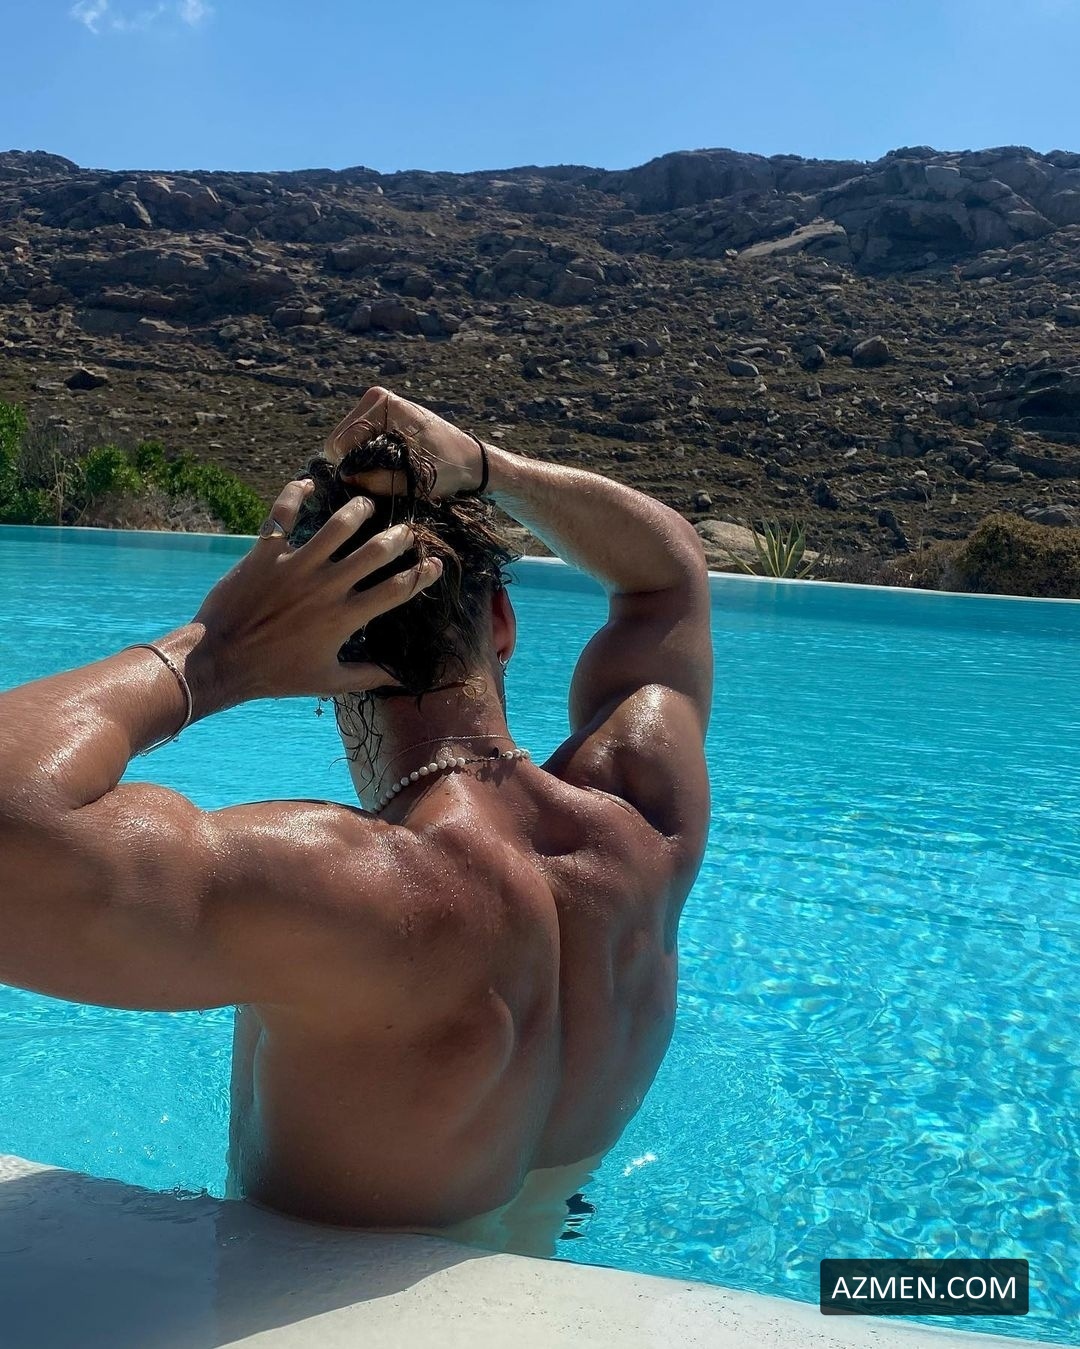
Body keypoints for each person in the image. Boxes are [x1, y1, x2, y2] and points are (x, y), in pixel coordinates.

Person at [0, 387, 712, 1254]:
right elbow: (668, 577)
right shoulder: (643, 817)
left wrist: (217, 652)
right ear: (500, 620)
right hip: (547, 1272)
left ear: (319, 653)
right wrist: (492, 468)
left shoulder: (351, 891)